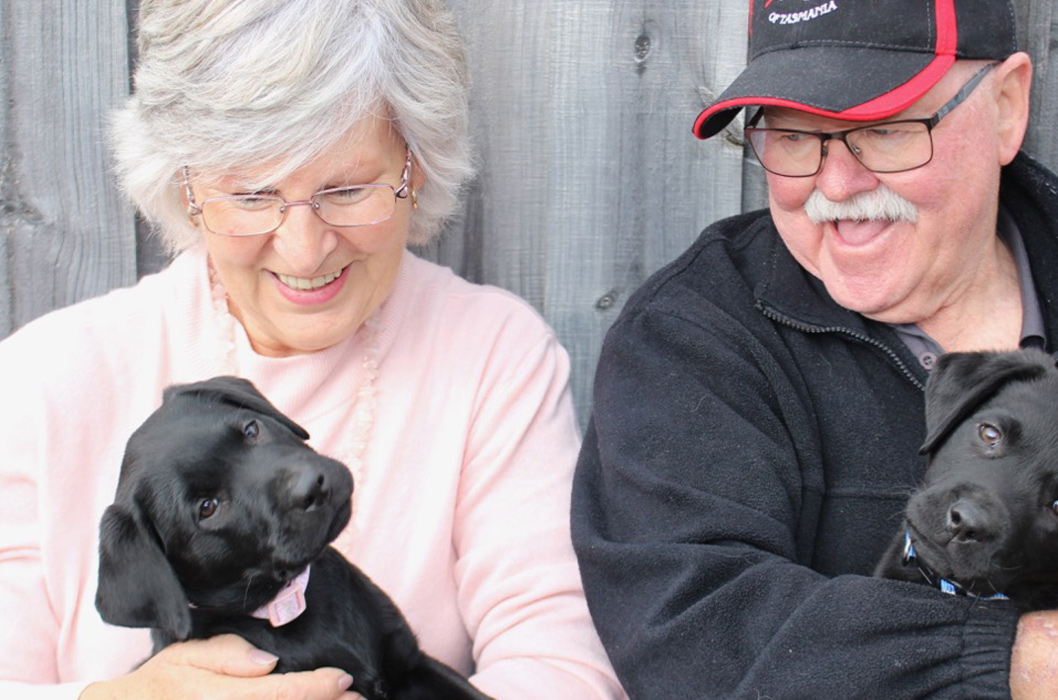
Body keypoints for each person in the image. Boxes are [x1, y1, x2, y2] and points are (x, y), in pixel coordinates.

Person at [571, 1, 1058, 698]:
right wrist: (1029, 664)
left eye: (887, 130)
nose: (837, 187)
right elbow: (696, 639)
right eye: (795, 136)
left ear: (1005, 107)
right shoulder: (689, 340)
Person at [0, 1, 624, 699]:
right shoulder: (41, 383)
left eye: (348, 188)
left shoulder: (493, 356)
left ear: (413, 168)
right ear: (187, 185)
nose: (304, 249)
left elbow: (563, 669)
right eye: (250, 193)